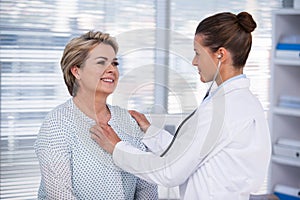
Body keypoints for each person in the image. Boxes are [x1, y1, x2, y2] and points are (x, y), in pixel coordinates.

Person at [90, 12, 272, 200]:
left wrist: (116, 148)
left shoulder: (221, 110)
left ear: (220, 54)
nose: (194, 62)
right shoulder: (247, 103)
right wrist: (151, 132)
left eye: (197, 53)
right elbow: (191, 155)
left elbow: (170, 171)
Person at [34, 31, 158, 199]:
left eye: (115, 63)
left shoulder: (129, 121)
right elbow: (60, 195)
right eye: (101, 63)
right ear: (76, 72)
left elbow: (146, 187)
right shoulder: (57, 124)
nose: (112, 69)